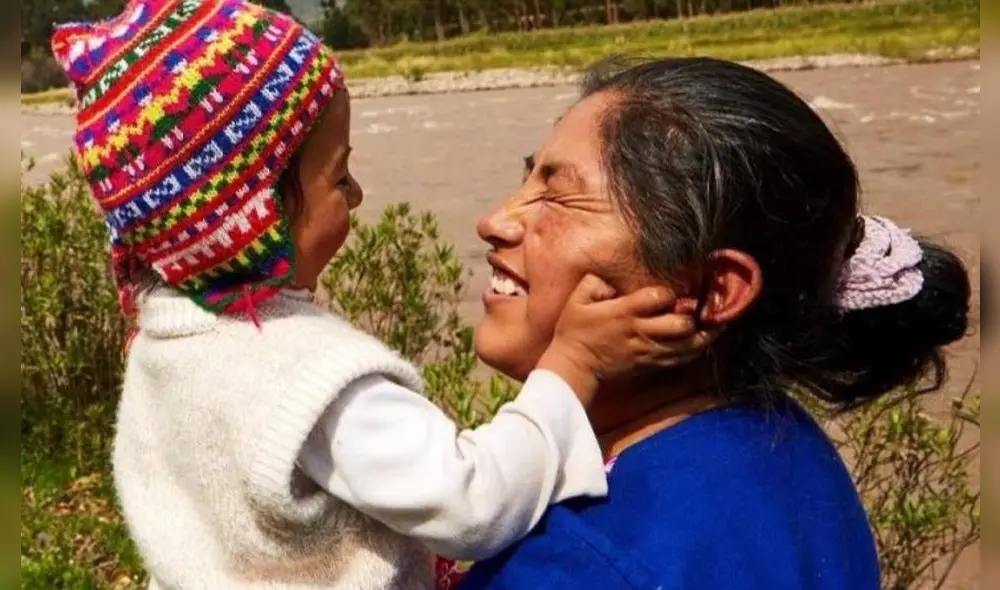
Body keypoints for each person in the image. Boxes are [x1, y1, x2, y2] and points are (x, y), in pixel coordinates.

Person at [50, 3, 709, 589]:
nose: (358, 195)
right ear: (249, 215)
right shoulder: (302, 374)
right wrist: (572, 368)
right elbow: (470, 503)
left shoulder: (165, 339)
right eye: (339, 177)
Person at [459, 57, 972, 590]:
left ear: (713, 290)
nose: (494, 221)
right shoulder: (779, 444)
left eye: (557, 196)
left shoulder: (589, 563)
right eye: (527, 179)